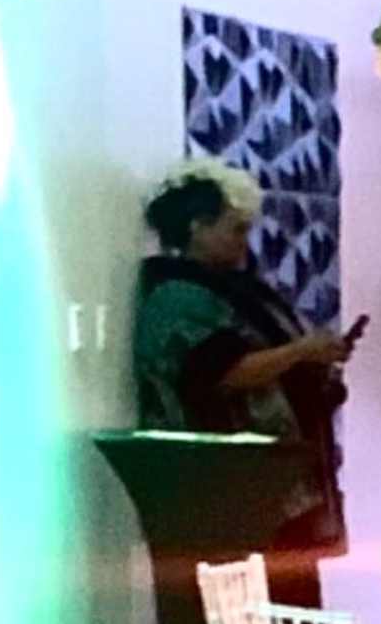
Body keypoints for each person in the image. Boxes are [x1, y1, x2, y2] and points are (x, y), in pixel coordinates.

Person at [131, 165, 359, 531]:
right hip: (232, 484)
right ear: (197, 227)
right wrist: (300, 351)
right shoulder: (178, 297)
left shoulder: (238, 289)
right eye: (236, 230)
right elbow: (223, 372)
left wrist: (314, 362)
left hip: (275, 478)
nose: (244, 242)